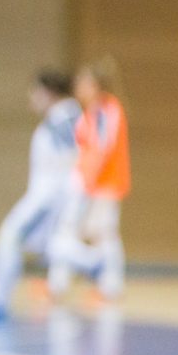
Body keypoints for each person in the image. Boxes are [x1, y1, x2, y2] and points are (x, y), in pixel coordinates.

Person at [0, 71, 80, 324]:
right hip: (46, 195)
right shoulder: (58, 118)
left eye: (36, 91)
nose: (32, 97)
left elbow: (78, 155)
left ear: (49, 92)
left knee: (11, 236)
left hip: (49, 197)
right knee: (46, 247)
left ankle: (98, 265)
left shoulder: (64, 118)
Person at [48, 58, 130, 303]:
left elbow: (102, 150)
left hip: (103, 185)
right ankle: (60, 286)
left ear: (97, 86)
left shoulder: (107, 111)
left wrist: (85, 182)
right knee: (80, 232)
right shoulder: (92, 113)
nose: (78, 87)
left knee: (103, 234)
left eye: (84, 83)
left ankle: (110, 287)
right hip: (91, 185)